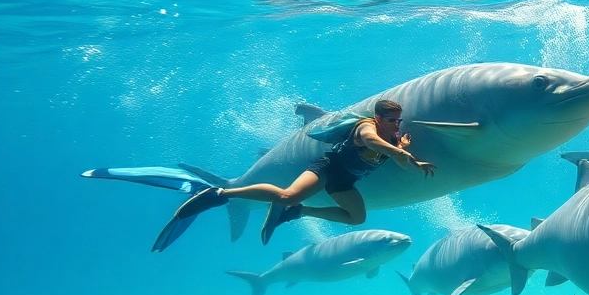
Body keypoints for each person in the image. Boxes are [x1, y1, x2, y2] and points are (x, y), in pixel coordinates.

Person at [154, 100, 435, 250]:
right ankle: (222, 194)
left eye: (398, 120)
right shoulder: (366, 129)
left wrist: (414, 161)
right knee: (287, 194)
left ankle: (299, 212)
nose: (396, 125)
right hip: (327, 170)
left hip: (345, 181)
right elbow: (373, 144)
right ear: (377, 118)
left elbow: (396, 158)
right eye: (391, 120)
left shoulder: (394, 139)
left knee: (357, 218)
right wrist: (402, 152)